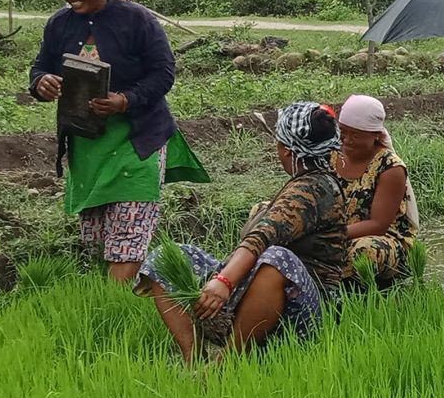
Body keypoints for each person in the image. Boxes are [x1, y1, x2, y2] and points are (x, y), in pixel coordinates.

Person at [30, 0, 208, 282]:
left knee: (126, 239)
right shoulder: (59, 26)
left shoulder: (136, 20)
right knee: (96, 241)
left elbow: (163, 72)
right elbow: (40, 68)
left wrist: (125, 100)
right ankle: (117, 300)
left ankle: (116, 307)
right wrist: (41, 83)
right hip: (88, 144)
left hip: (135, 142)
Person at [141, 102, 351, 361]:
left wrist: (223, 282)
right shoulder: (306, 182)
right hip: (261, 293)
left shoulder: (315, 190)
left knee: (277, 258)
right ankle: (194, 359)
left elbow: (262, 237)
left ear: (286, 150)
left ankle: (226, 363)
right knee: (165, 258)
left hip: (310, 307)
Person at [331, 94, 418, 288]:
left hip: (379, 239)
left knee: (365, 252)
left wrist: (330, 234)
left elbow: (378, 224)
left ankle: (357, 293)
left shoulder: (390, 167)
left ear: (375, 135)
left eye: (356, 135)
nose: (347, 140)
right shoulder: (332, 154)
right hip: (333, 232)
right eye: (343, 132)